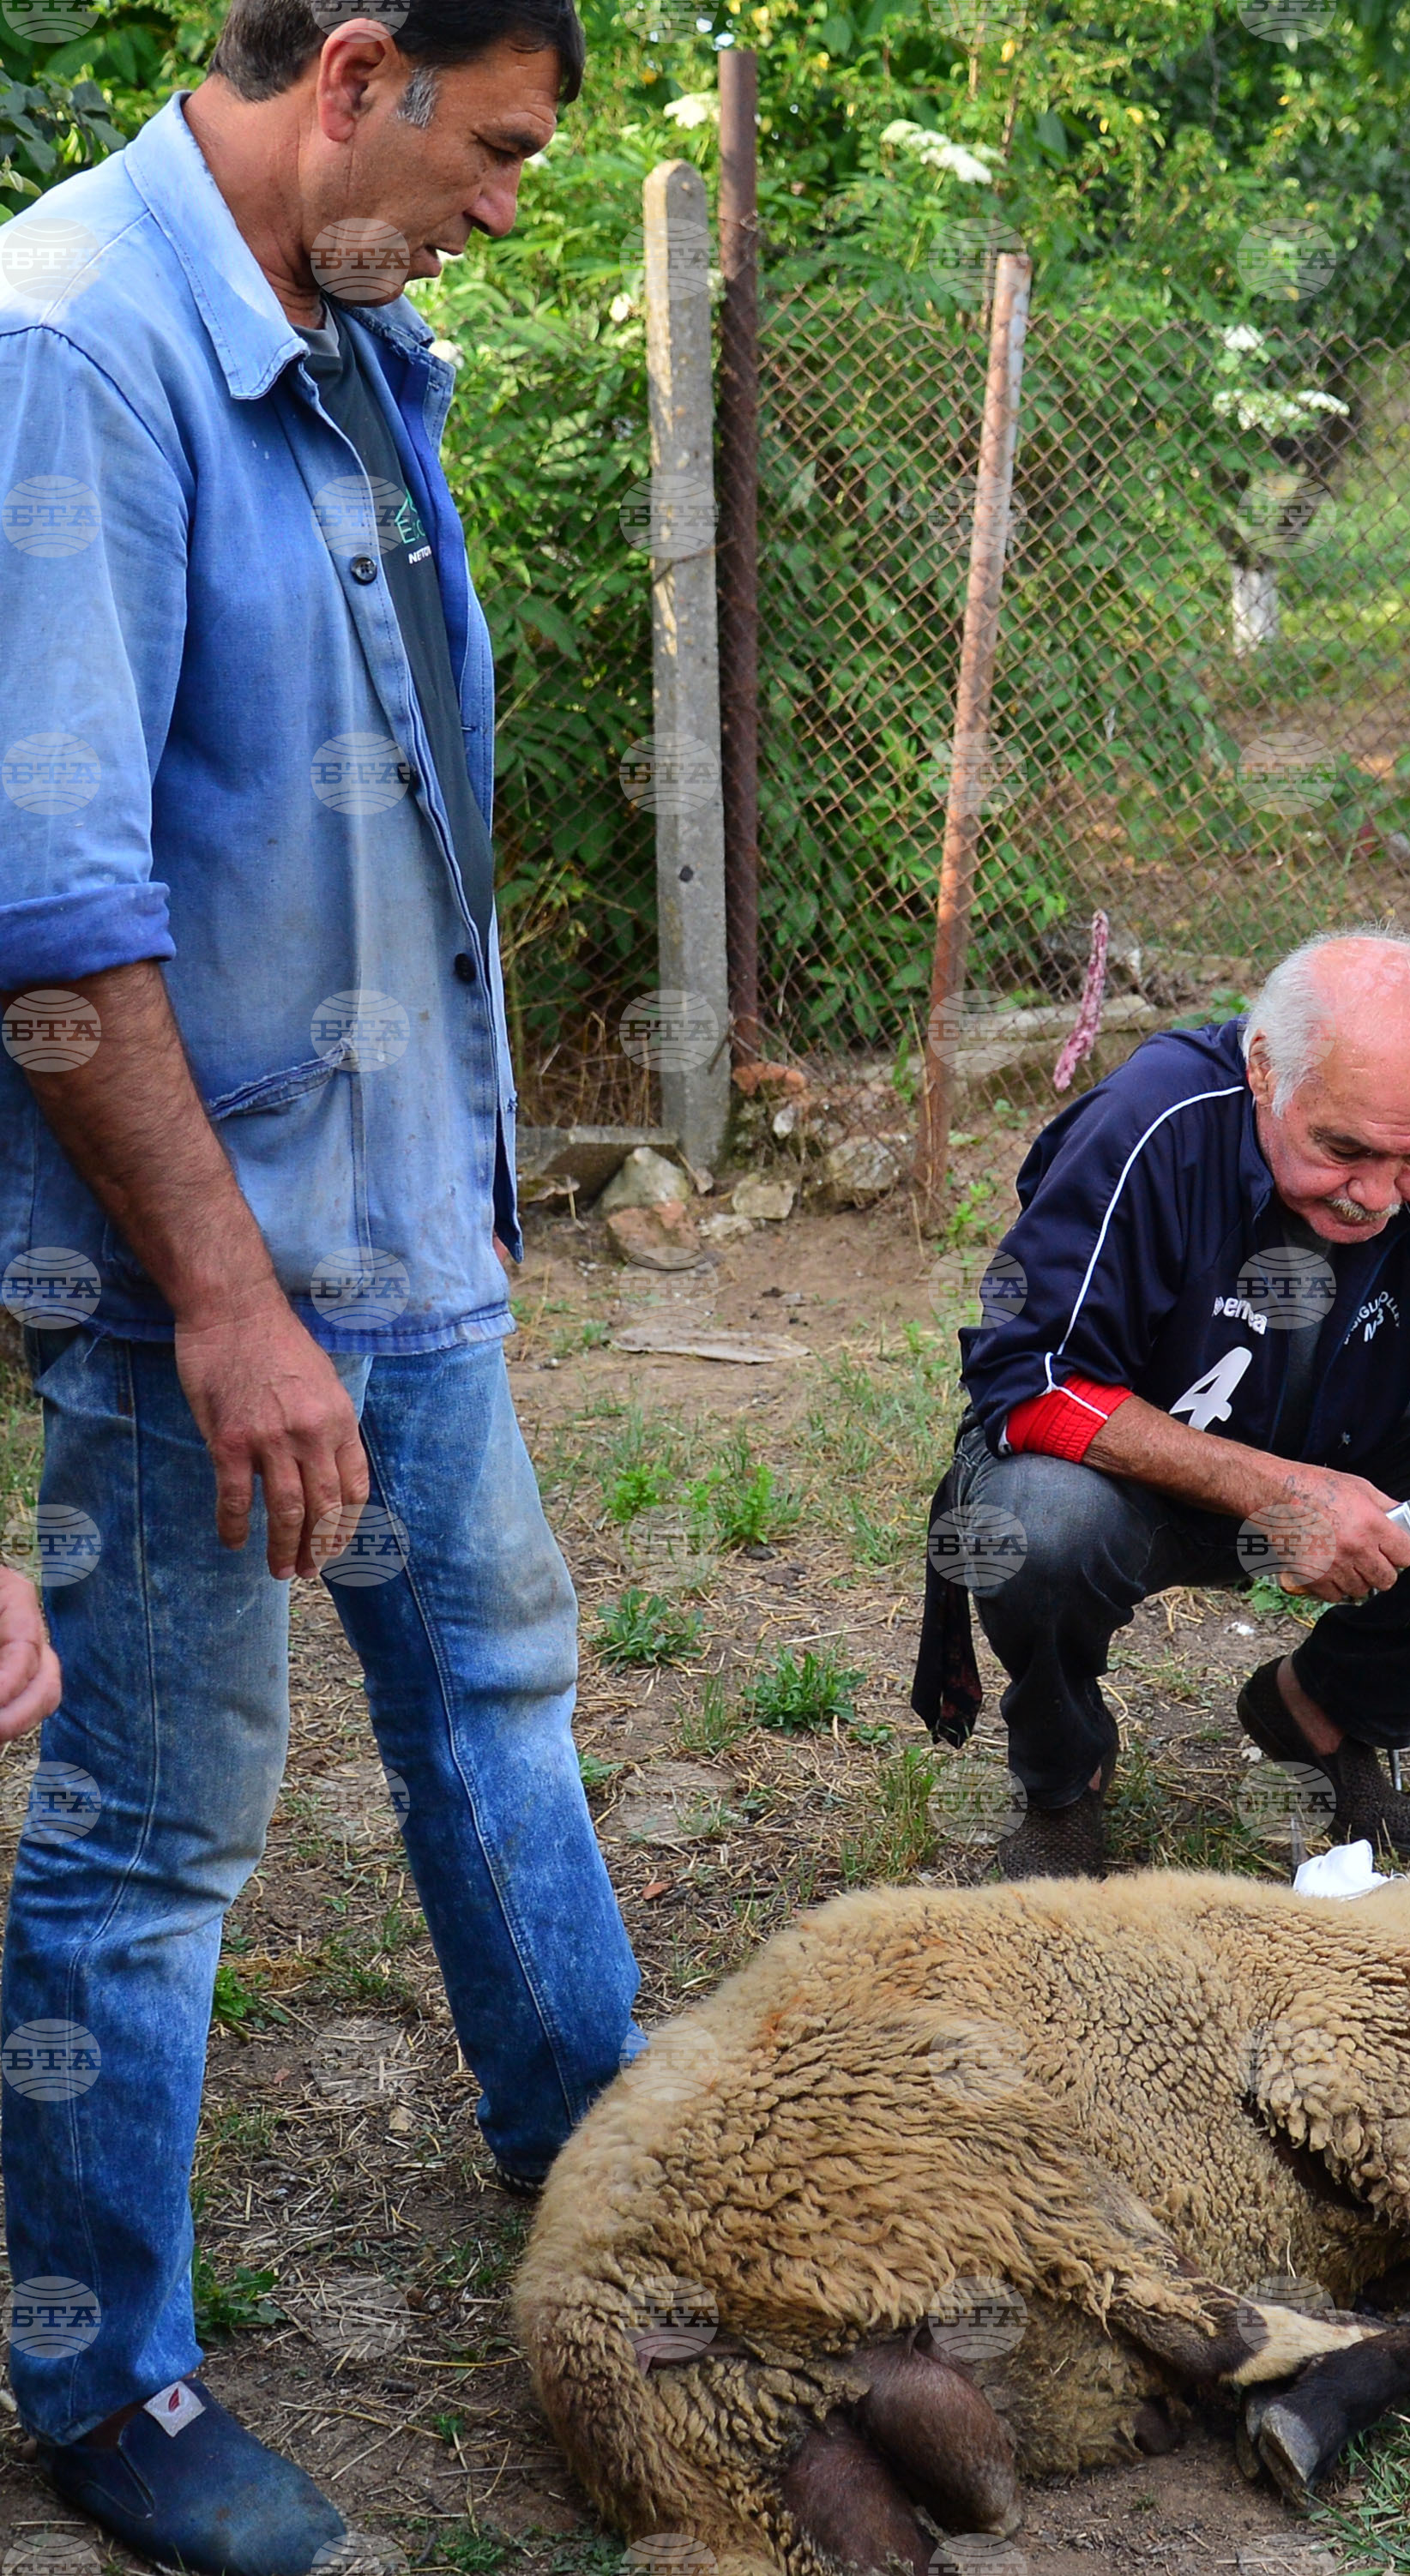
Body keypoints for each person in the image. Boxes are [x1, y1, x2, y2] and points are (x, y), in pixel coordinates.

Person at [0, 3, 645, 2565]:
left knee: (498, 1691)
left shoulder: (352, 342)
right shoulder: (75, 348)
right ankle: (104, 2378)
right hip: (206, 1281)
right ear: (355, 71)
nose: (507, 204)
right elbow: (51, 917)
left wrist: (451, 1159)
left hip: (401, 1224)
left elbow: (386, 792)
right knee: (156, 1832)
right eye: (490, 150)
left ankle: (612, 2177)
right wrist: (232, 1303)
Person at [911, 930, 1410, 1886]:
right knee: (1032, 1525)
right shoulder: (1149, 1122)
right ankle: (1063, 1776)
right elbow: (1026, 1383)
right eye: (1342, 1150)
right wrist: (1283, 1490)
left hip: (1344, 1466)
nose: (1378, 1196)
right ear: (1264, 1072)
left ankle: (1323, 1712)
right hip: (1131, 1484)